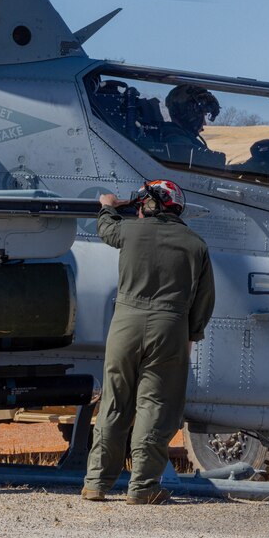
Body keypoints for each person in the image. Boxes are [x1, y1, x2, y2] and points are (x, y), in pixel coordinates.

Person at [82, 180, 216, 504]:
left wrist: (107, 205)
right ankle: (142, 486)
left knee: (114, 402)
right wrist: (191, 336)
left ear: (146, 206)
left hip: (124, 325)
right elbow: (204, 300)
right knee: (154, 406)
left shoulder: (128, 231)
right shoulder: (195, 245)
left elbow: (105, 228)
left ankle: (96, 483)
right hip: (169, 329)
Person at [157, 85, 227, 171]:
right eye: (203, 115)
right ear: (191, 114)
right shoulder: (176, 141)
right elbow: (211, 165)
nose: (204, 123)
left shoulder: (180, 137)